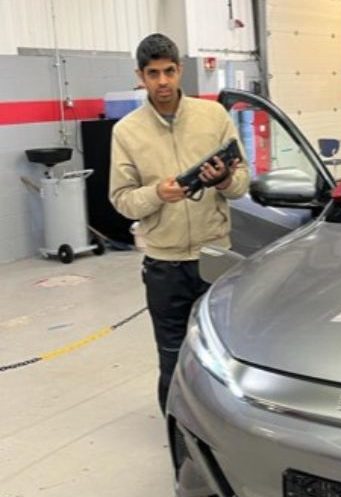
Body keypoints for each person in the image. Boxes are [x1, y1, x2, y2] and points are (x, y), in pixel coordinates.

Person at [109, 33, 250, 414]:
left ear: (180, 69)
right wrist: (158, 194)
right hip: (164, 264)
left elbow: (241, 184)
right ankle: (178, 431)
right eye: (153, 73)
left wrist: (223, 179)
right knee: (172, 354)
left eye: (169, 71)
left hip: (214, 255)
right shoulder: (126, 132)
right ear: (140, 76)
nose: (163, 82)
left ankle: (222, 427)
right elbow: (122, 201)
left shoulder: (214, 117)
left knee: (222, 355)